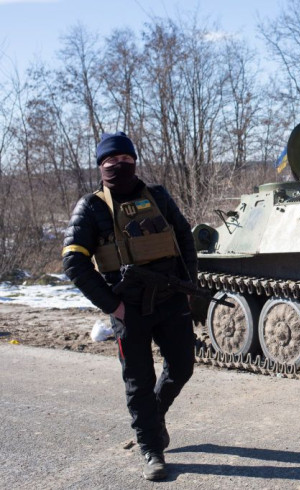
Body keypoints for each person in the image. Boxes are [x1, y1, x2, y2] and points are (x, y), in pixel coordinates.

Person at [62, 132, 198, 481]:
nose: (119, 166)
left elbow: (184, 238)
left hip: (170, 299)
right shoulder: (90, 208)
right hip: (129, 308)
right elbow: (74, 264)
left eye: (126, 161)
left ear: (135, 162)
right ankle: (151, 449)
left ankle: (153, 416)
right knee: (138, 381)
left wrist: (187, 285)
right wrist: (113, 306)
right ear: (100, 166)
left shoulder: (159, 197)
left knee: (182, 366)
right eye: (111, 162)